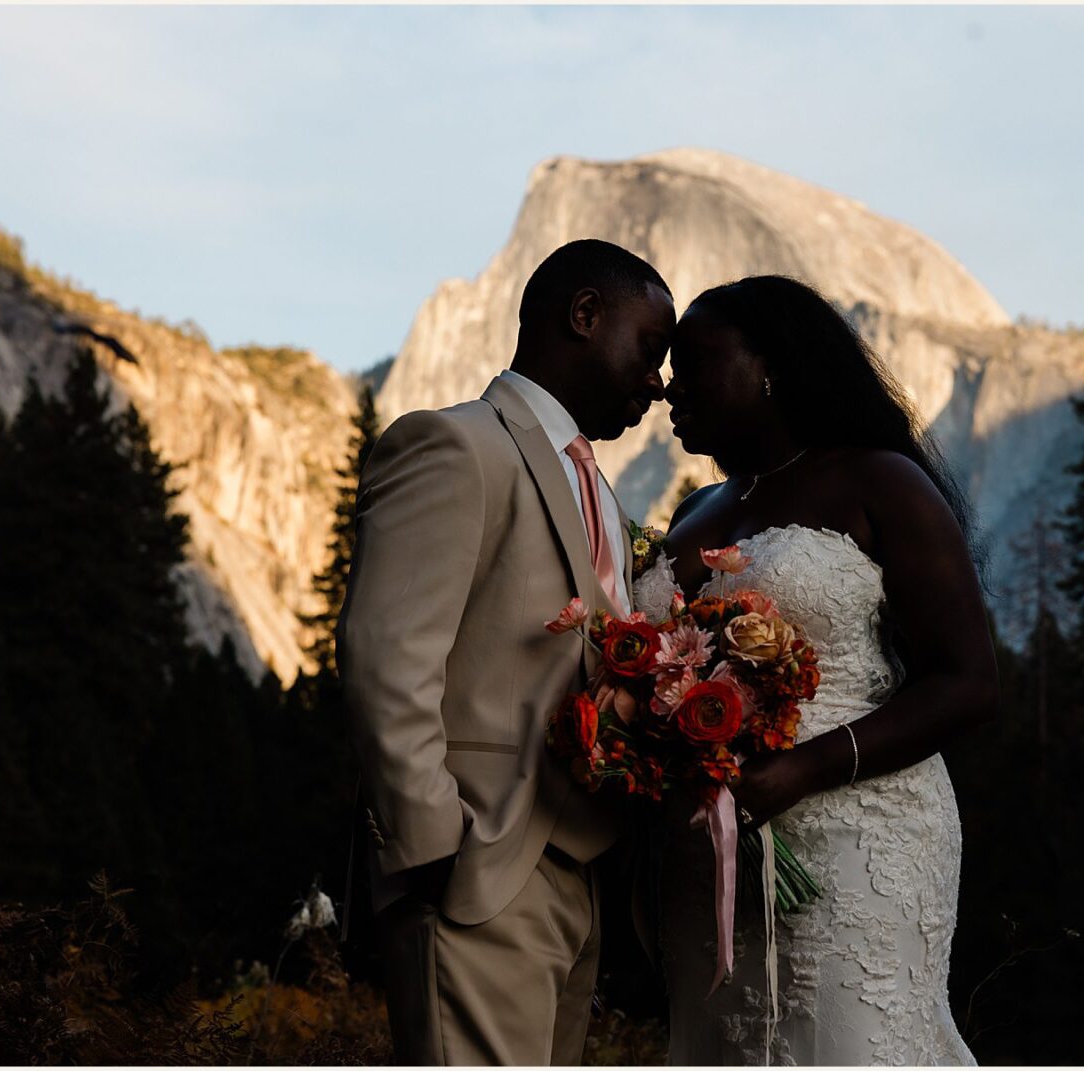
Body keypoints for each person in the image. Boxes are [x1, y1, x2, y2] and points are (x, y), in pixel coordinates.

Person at [632, 274, 998, 1065]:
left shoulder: (879, 481)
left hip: (858, 837)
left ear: (772, 366)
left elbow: (968, 679)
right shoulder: (696, 511)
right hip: (709, 862)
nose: (670, 385)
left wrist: (806, 767)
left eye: (694, 361)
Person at [336, 238, 673, 1064]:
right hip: (478, 867)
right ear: (584, 315)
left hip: (579, 877)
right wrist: (435, 845)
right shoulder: (455, 446)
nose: (658, 384)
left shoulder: (595, 482)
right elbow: (388, 653)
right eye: (649, 351)